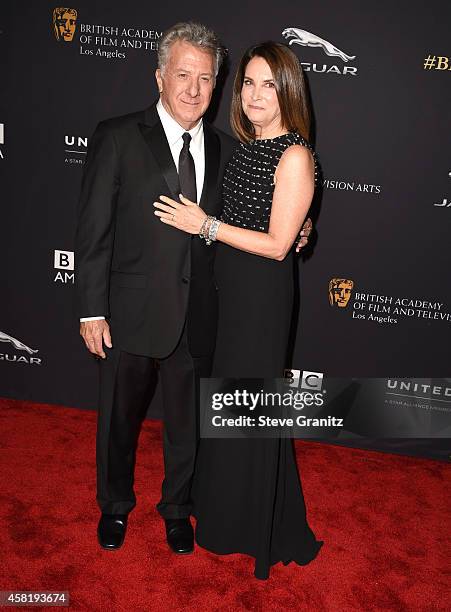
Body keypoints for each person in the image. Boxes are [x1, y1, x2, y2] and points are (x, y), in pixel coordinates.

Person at [154, 41, 323, 579]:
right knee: (229, 405)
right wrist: (300, 225)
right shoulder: (242, 148)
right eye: (248, 82)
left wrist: (204, 225)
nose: (254, 94)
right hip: (228, 294)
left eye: (268, 84)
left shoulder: (295, 153)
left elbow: (276, 244)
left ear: (288, 91)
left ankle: (259, 527)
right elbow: (275, 220)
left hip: (262, 299)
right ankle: (224, 516)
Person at [74, 22, 238, 556]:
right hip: (130, 310)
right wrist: (91, 309)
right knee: (118, 421)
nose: (194, 89)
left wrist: (297, 228)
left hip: (199, 314)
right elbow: (94, 230)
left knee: (187, 426)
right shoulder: (119, 135)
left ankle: (177, 510)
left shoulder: (226, 149)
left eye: (206, 79)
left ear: (217, 86)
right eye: (183, 75)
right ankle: (115, 505)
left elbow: (243, 229)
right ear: (159, 77)